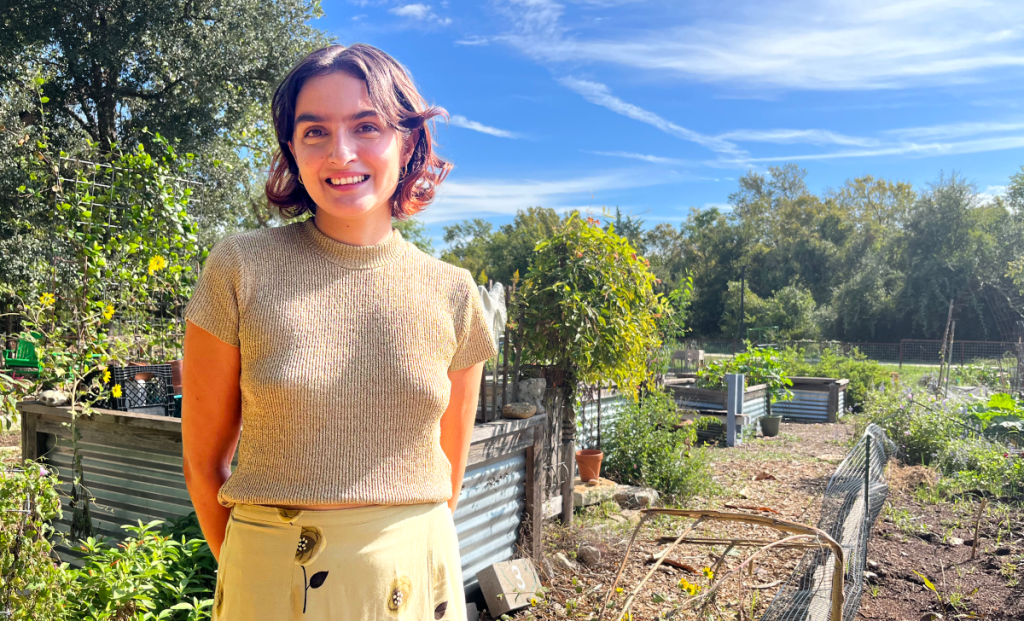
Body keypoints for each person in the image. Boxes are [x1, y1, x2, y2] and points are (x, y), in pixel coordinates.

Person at [181, 43, 497, 621]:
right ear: (292, 151)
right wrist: (263, 572)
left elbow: (448, 474)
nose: (341, 153)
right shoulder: (238, 268)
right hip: (272, 583)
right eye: (315, 132)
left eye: (366, 126)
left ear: (409, 143)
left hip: (417, 580)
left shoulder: (453, 292)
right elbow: (204, 465)